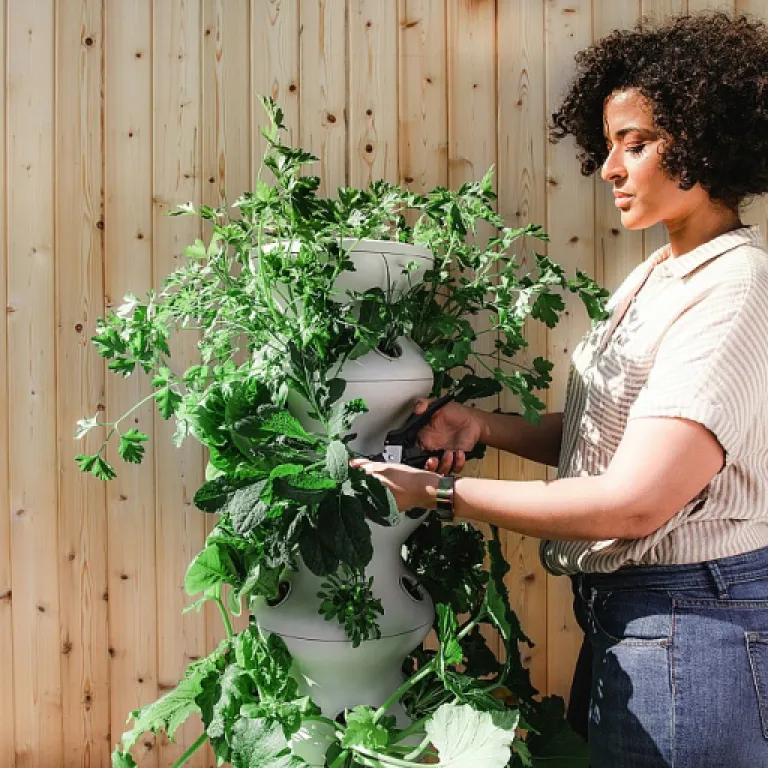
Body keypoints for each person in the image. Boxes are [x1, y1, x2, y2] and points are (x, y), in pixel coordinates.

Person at [351, 11, 768, 768]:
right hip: (641, 621)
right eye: (607, 145)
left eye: (635, 144)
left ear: (705, 141)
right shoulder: (662, 275)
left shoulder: (733, 290)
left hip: (691, 628)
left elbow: (636, 500)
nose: (609, 169)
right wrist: (483, 426)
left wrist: (440, 495)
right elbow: (613, 439)